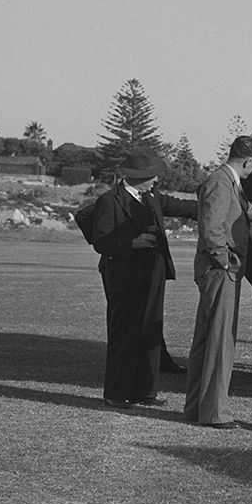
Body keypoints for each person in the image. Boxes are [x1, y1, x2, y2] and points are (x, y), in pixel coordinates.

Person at [90, 147, 197, 408]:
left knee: (151, 330)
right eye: (152, 175)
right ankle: (116, 393)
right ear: (137, 176)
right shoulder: (109, 201)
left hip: (153, 275)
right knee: (123, 335)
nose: (157, 180)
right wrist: (132, 243)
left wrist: (220, 201)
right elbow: (101, 242)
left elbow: (185, 208)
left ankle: (145, 393)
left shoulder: (153, 197)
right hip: (124, 277)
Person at [184, 136, 252, 430]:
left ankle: (197, 408)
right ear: (248, 161)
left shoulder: (228, 182)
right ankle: (215, 413)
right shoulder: (221, 182)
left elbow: (248, 209)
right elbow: (211, 227)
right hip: (220, 271)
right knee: (220, 341)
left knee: (208, 339)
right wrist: (223, 259)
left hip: (219, 270)